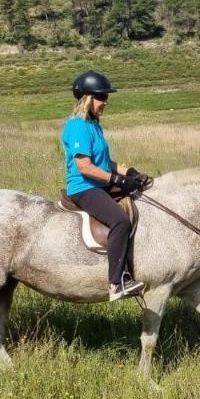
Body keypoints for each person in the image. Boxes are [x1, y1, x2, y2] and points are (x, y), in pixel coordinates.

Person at [61, 71, 153, 301]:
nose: (105, 102)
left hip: (99, 183)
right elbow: (85, 167)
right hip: (84, 187)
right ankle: (116, 283)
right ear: (87, 98)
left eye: (105, 97)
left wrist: (131, 173)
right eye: (101, 97)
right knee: (120, 221)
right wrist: (116, 180)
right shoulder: (77, 126)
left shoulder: (94, 126)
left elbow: (106, 163)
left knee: (141, 197)